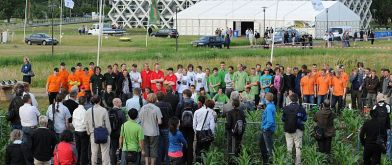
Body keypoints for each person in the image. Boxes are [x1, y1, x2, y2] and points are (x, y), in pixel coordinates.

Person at [84, 96, 112, 165]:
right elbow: (107, 123)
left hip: (93, 133)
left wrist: (88, 132)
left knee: (94, 152)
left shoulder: (88, 111)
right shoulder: (103, 110)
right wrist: (108, 133)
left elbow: (86, 123)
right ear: (99, 101)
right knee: (105, 152)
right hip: (103, 132)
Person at [282, 93, 307, 165]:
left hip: (287, 129)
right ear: (297, 99)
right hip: (298, 130)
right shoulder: (301, 108)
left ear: (290, 99)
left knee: (289, 147)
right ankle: (298, 163)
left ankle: (289, 162)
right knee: (298, 147)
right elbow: (305, 119)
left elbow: (283, 119)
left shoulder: (286, 108)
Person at [139, 93, 162, 165]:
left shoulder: (143, 107)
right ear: (155, 99)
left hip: (144, 131)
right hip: (153, 132)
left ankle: (146, 163)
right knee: (153, 149)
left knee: (146, 148)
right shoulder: (156, 108)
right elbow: (159, 122)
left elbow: (140, 119)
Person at [175, 89, 197, 165]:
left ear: (184, 94)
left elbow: (177, 115)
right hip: (191, 126)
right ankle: (190, 161)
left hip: (182, 126)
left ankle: (183, 160)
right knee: (190, 144)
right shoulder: (194, 103)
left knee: (183, 143)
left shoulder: (180, 103)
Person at [155, 91, 173, 165]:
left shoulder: (155, 105)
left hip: (157, 127)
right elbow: (171, 115)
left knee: (159, 146)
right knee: (167, 146)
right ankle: (167, 162)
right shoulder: (168, 105)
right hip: (166, 127)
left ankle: (159, 162)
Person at [372, 94, 392, 159]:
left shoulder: (375, 107)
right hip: (386, 127)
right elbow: (388, 115)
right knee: (388, 142)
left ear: (378, 99)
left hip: (377, 128)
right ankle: (388, 157)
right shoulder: (388, 106)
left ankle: (378, 156)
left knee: (377, 142)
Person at [109, 98, 127, 165]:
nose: (121, 103)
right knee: (121, 148)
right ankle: (121, 162)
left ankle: (113, 162)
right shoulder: (121, 112)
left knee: (113, 149)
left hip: (112, 133)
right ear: (116, 103)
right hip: (120, 133)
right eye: (120, 102)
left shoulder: (109, 111)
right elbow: (124, 123)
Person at [72, 96, 89, 165]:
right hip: (83, 131)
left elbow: (73, 121)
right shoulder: (84, 111)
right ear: (85, 102)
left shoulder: (75, 110)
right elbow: (85, 122)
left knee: (78, 148)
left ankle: (77, 161)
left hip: (76, 130)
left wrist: (76, 127)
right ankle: (83, 162)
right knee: (84, 149)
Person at [260, 93, 276, 164]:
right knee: (262, 144)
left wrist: (265, 128)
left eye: (265, 98)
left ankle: (269, 162)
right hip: (268, 129)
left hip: (267, 130)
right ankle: (266, 161)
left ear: (267, 99)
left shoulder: (269, 108)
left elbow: (270, 121)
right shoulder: (271, 105)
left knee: (268, 147)